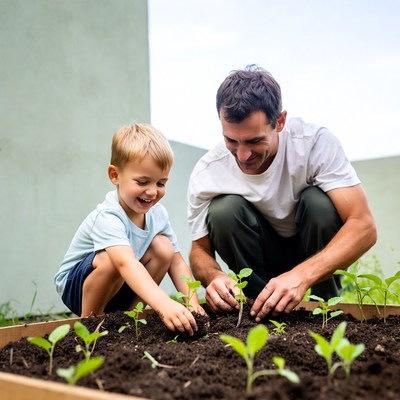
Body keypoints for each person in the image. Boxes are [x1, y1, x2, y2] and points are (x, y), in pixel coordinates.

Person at [187, 65, 377, 323]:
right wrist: (214, 276)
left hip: (313, 250)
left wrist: (301, 276)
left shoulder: (314, 144)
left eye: (254, 141)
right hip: (260, 254)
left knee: (317, 203)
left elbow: (364, 226)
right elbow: (199, 250)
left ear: (280, 122)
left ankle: (326, 313)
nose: (242, 155)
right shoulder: (208, 172)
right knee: (223, 211)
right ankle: (259, 310)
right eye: (231, 140)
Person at [55, 123, 204, 335]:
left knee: (164, 248)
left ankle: (129, 321)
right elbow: (124, 263)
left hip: (121, 282)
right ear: (115, 175)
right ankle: (89, 327)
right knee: (110, 258)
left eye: (161, 183)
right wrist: (164, 304)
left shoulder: (158, 214)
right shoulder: (108, 216)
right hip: (77, 287)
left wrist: (193, 303)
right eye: (143, 181)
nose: (152, 192)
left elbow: (177, 261)